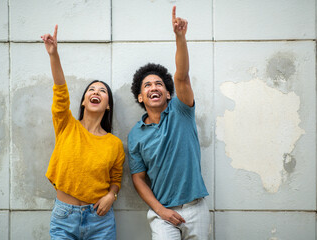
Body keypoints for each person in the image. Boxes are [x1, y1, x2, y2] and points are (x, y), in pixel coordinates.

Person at [128, 6, 210, 240]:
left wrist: (180, 38)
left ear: (168, 94)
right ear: (140, 97)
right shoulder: (136, 134)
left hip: (196, 208)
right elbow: (138, 178)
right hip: (162, 213)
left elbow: (181, 76)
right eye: (147, 86)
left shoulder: (181, 110)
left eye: (159, 84)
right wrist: (161, 210)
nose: (153, 87)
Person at [41, 25, 125, 240]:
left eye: (102, 91)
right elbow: (60, 91)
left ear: (107, 105)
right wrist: (53, 54)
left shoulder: (114, 143)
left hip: (100, 219)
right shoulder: (66, 124)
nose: (96, 92)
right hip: (63, 217)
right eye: (92, 89)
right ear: (84, 100)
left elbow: (116, 178)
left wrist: (111, 195)